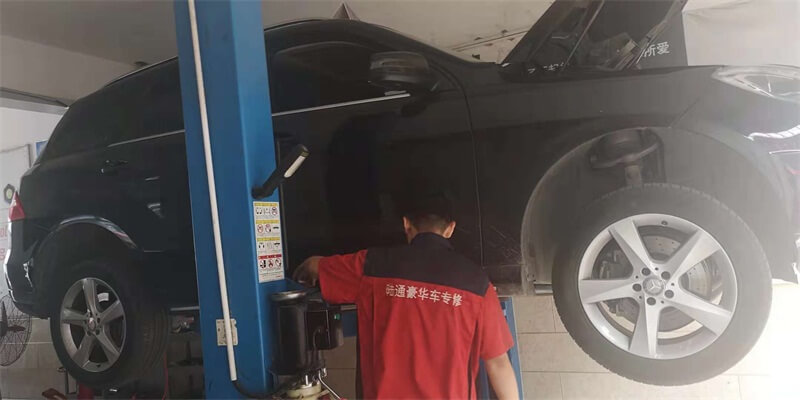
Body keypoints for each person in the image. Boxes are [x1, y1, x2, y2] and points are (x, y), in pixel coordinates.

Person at [293, 192, 519, 399]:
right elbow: (498, 364)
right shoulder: (477, 284)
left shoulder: (372, 266)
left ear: (406, 224)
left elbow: (314, 267)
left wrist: (294, 275)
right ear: (450, 229)